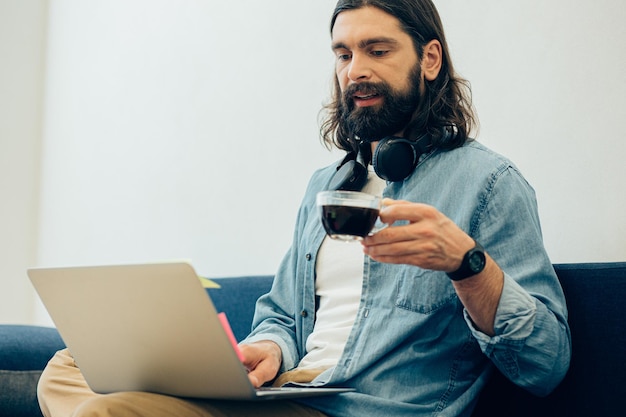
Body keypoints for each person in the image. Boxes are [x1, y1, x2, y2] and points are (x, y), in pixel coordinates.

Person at [37, 1, 571, 416]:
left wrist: (466, 264)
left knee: (111, 408)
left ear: (429, 59)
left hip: (366, 408)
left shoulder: (490, 183)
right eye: (343, 54)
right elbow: (281, 315)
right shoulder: (330, 184)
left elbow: (545, 365)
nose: (354, 70)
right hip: (292, 392)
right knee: (68, 368)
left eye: (377, 51)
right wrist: (269, 348)